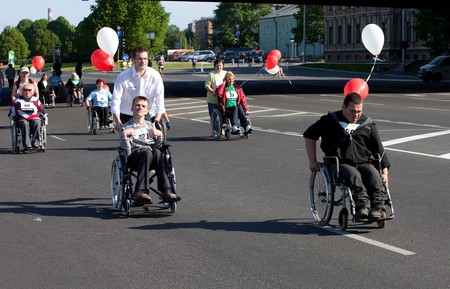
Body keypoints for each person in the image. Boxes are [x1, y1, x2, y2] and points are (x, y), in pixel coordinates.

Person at [303, 92, 390, 220]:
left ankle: (378, 207)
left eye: (359, 111)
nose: (356, 115)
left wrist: (384, 173)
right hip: (340, 163)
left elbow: (379, 150)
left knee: (374, 176)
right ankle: (363, 206)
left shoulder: (367, 124)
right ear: (343, 107)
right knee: (353, 176)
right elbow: (309, 136)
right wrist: (312, 161)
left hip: (363, 162)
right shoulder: (330, 121)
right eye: (353, 111)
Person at [119, 96, 177, 203]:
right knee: (147, 152)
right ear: (132, 108)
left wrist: (160, 136)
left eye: (143, 106)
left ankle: (166, 191)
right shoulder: (125, 127)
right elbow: (126, 152)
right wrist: (125, 137)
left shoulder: (150, 126)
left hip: (151, 158)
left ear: (146, 111)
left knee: (156, 152)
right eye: (137, 105)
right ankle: (140, 192)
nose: (140, 107)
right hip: (134, 158)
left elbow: (156, 147)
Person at [112, 45, 165, 130]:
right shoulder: (123, 77)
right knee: (127, 141)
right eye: (140, 59)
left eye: (145, 59)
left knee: (151, 141)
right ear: (133, 60)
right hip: (127, 115)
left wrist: (156, 121)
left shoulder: (155, 76)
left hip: (145, 115)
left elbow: (159, 101)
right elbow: (115, 100)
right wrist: (117, 121)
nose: (143, 61)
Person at [8, 82, 48, 151]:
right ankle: (27, 144)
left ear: (32, 92)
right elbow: (12, 112)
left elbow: (43, 111)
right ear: (22, 91)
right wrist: (11, 120)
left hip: (34, 118)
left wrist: (46, 118)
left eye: (29, 90)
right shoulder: (17, 101)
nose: (27, 92)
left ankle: (36, 143)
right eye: (25, 90)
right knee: (24, 123)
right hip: (22, 118)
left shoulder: (36, 100)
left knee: (37, 122)